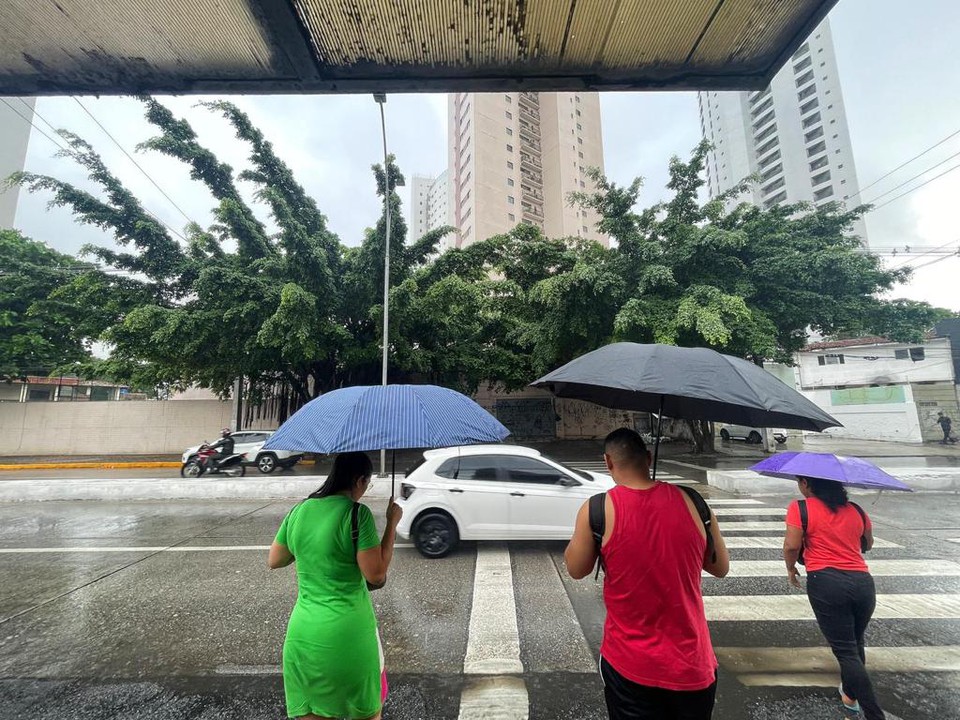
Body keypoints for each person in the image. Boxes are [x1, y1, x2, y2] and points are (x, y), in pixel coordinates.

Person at [564, 428, 730, 720]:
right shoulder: (695, 502)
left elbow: (577, 570)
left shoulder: (598, 509)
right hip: (692, 665)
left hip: (629, 665)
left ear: (608, 462)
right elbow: (720, 567)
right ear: (648, 457)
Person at [268, 452, 402, 720]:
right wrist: (391, 524)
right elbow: (376, 576)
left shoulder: (300, 510)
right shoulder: (356, 515)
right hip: (349, 636)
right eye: (368, 483)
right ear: (359, 480)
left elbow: (275, 559)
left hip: (303, 637)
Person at [783, 475, 884, 720]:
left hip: (827, 584)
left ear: (807, 483)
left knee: (846, 651)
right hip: (862, 583)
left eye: (799, 481)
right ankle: (850, 695)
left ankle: (873, 714)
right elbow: (867, 544)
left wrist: (790, 567)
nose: (799, 486)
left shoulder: (800, 508)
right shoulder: (857, 511)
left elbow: (791, 546)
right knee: (855, 642)